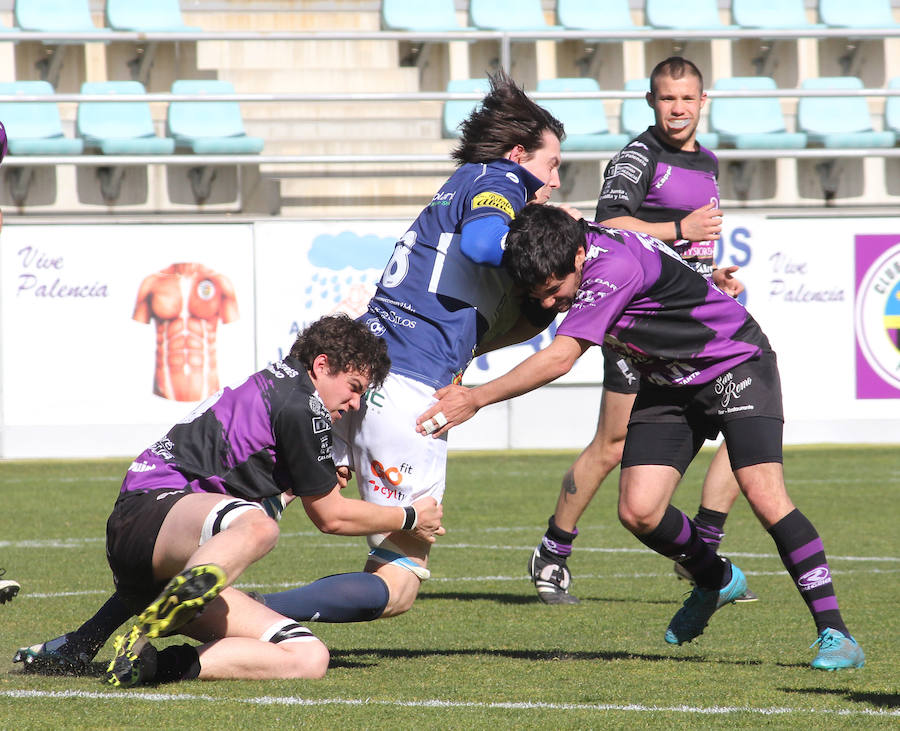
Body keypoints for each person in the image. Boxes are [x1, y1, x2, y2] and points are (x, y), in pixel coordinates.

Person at [13, 70, 564, 671]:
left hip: (366, 369)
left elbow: (478, 309)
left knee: (267, 505)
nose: (554, 180)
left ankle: (86, 643)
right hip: (411, 388)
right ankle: (237, 608)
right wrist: (546, 253)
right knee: (400, 578)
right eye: (552, 164)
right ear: (517, 154)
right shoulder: (501, 179)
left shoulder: (457, 184)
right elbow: (488, 245)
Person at [417, 205, 865, 671]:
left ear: (576, 258)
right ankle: (716, 580)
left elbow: (559, 359)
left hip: (734, 363)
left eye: (554, 291)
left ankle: (836, 633)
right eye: (540, 295)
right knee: (639, 511)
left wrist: (476, 398)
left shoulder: (613, 268)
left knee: (764, 493)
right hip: (667, 380)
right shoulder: (574, 243)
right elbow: (547, 305)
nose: (549, 304)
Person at [17, 315, 444, 686]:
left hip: (156, 553)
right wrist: (410, 516)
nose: (353, 404)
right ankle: (168, 607)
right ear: (322, 365)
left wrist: (86, 638)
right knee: (257, 526)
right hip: (152, 504)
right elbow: (331, 517)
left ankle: (152, 665)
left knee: (308, 656)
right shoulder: (302, 406)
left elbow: (275, 490)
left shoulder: (285, 389)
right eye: (353, 388)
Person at [527, 56, 755, 605]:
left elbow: (686, 249)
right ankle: (553, 552)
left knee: (750, 431)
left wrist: (711, 277)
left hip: (690, 320)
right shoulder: (638, 156)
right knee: (612, 444)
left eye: (687, 98)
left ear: (704, 102)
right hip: (636, 319)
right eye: (666, 98)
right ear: (651, 102)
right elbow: (605, 226)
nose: (677, 108)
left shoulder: (708, 160)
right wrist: (681, 227)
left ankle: (702, 547)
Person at [133, 262, 240, 402]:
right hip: (162, 393)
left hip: (210, 393)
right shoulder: (152, 282)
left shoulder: (220, 281)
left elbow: (236, 338)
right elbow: (136, 337)